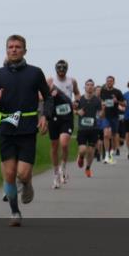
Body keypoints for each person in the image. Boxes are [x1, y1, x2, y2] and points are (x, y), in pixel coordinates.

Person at [0, 35, 51, 227]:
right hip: (5, 128)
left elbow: (47, 97)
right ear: (6, 50)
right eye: (10, 47)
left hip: (28, 128)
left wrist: (45, 116)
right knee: (10, 173)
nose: (14, 50)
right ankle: (14, 211)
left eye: (18, 47)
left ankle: (27, 183)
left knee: (22, 173)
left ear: (24, 50)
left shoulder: (35, 73)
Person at [47, 59, 79, 189]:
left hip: (67, 116)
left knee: (64, 143)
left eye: (63, 69)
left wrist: (77, 101)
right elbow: (40, 95)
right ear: (56, 69)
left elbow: (77, 93)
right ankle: (55, 174)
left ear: (66, 69)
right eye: (59, 69)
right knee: (54, 146)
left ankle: (63, 167)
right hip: (54, 115)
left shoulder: (72, 81)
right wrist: (49, 93)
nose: (61, 72)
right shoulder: (50, 81)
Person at [75, 79, 102, 178]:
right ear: (85, 87)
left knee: (91, 151)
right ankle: (81, 157)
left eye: (91, 85)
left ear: (93, 88)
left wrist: (103, 111)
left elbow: (100, 115)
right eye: (88, 85)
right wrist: (77, 112)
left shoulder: (97, 100)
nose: (90, 87)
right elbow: (73, 110)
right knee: (82, 150)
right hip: (82, 129)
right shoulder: (80, 99)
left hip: (93, 129)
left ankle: (88, 168)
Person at [99, 76, 125, 164]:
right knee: (106, 134)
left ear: (114, 82)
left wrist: (117, 101)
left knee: (113, 136)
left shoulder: (117, 92)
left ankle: (111, 153)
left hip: (115, 116)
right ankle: (106, 155)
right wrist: (101, 104)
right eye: (108, 81)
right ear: (106, 82)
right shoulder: (103, 91)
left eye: (111, 81)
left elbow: (124, 104)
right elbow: (99, 100)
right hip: (106, 116)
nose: (109, 82)